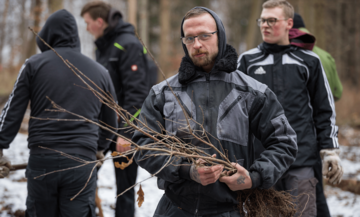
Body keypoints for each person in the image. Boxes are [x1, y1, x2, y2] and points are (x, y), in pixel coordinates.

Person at [132, 6, 297, 216]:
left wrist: (253, 177)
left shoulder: (253, 93)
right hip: (175, 208)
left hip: (231, 209)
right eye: (189, 38)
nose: (197, 44)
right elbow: (143, 144)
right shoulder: (163, 93)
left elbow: (284, 142)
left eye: (204, 36)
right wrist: (186, 170)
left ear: (220, 35)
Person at [0, 9, 117, 217]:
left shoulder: (33, 65)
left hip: (43, 162)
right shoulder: (100, 72)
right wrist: (99, 149)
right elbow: (111, 123)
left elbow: (12, 112)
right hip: (82, 164)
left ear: (47, 35)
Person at [237, 1, 343, 216]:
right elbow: (234, 114)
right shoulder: (247, 61)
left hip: (301, 160)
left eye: (271, 20)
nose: (265, 25)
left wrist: (330, 150)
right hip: (260, 164)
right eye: (262, 20)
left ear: (289, 23)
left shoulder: (309, 61)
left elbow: (324, 109)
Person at [80, 2, 154, 217]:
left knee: (125, 190)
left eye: (88, 23)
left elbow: (137, 93)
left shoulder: (127, 44)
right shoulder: (102, 46)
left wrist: (126, 133)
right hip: (103, 129)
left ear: (100, 22)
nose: (86, 28)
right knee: (83, 178)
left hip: (124, 132)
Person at [292, 12, 343, 217]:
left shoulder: (293, 55)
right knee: (316, 189)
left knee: (308, 191)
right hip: (324, 128)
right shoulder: (324, 55)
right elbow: (337, 92)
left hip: (302, 133)